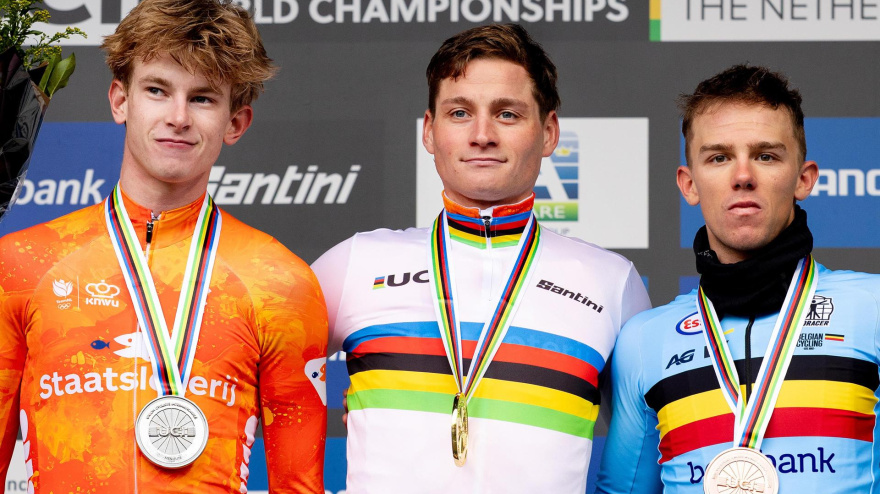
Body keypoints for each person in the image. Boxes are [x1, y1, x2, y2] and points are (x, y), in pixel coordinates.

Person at [0, 0, 328, 492]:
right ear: (120, 101)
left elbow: (298, 486)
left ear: (236, 123)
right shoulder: (23, 263)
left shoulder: (280, 283)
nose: (178, 117)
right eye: (157, 90)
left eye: (203, 98)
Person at [312, 23, 650, 493]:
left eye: (507, 114)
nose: (482, 135)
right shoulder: (354, 264)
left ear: (548, 132)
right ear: (429, 131)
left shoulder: (612, 283)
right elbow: (257, 390)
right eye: (459, 113)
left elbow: (639, 462)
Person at [596, 64, 880, 493]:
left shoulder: (871, 309)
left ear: (803, 179)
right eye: (719, 157)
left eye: (766, 156)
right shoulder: (644, 340)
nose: (743, 176)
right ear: (689, 185)